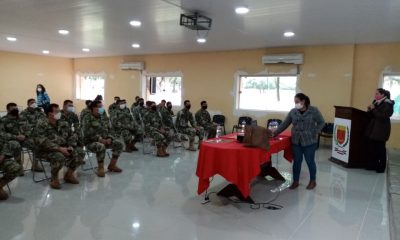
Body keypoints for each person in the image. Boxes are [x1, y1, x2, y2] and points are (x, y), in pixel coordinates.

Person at [272, 93, 325, 190]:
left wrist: (315, 131)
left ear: (303, 101)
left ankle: (313, 181)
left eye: (297, 102)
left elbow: (322, 122)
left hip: (309, 142)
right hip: (296, 141)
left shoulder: (314, 110)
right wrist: (274, 133)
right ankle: (295, 181)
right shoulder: (293, 111)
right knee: (297, 162)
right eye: (295, 102)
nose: (296, 104)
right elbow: (284, 124)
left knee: (310, 161)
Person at [34, 104, 84, 189]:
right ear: (50, 114)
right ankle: (54, 179)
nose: (59, 113)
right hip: (46, 150)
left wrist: (71, 146)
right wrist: (60, 149)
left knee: (80, 152)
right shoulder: (41, 124)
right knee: (59, 156)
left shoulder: (63, 123)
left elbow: (71, 135)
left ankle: (69, 174)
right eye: (57, 112)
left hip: (64, 147)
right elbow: (42, 141)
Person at [83, 100, 124, 177]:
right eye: (98, 107)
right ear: (92, 109)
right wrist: (100, 139)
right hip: (91, 142)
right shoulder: (87, 118)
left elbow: (111, 130)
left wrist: (110, 138)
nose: (101, 108)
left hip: (106, 140)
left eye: (101, 106)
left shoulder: (104, 117)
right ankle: (100, 168)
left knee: (119, 144)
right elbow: (87, 133)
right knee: (101, 146)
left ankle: (112, 165)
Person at [365, 88, 395, 173]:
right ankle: (372, 165)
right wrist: (369, 109)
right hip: (374, 129)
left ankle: (381, 168)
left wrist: (374, 109)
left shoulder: (388, 104)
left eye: (377, 94)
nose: (375, 95)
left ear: (383, 95)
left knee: (380, 149)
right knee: (373, 148)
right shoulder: (376, 102)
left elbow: (382, 116)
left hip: (381, 130)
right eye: (375, 94)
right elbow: (372, 116)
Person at [19, 98, 46, 171]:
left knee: (45, 142)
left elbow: (45, 122)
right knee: (36, 144)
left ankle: (35, 165)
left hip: (38, 135)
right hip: (27, 137)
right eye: (32, 103)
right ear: (28, 104)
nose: (34, 104)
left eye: (35, 102)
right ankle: (20, 168)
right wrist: (35, 128)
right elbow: (25, 128)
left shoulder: (39, 112)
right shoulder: (23, 114)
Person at [0, 103, 27, 175]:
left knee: (35, 142)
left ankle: (35, 164)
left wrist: (25, 136)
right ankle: (19, 166)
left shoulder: (22, 118)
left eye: (16, 108)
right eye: (13, 109)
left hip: (24, 139)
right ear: (8, 110)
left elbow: (29, 129)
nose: (15, 110)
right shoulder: (3, 120)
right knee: (16, 144)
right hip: (12, 140)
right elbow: (2, 134)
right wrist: (16, 137)